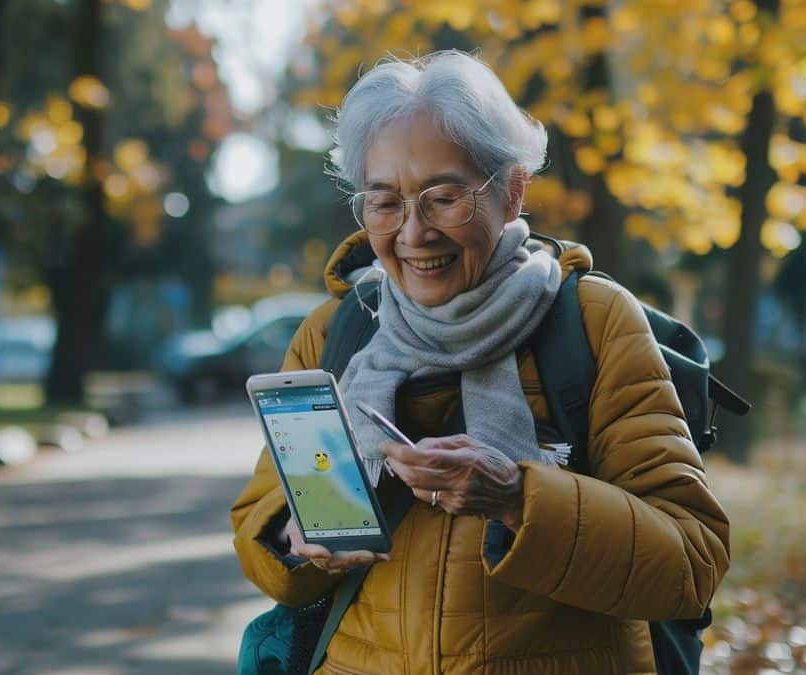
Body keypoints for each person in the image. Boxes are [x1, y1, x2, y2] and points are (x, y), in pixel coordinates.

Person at [231, 50, 730, 674]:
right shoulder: (338, 332)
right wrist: (299, 544)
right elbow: (263, 540)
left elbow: (690, 564)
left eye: (443, 198)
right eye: (384, 202)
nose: (413, 233)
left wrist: (519, 497)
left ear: (513, 192)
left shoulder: (595, 324)